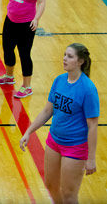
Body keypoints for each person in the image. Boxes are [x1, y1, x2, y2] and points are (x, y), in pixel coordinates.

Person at [20, 43, 99, 203]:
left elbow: (92, 126)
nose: (64, 59)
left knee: (69, 194)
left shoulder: (88, 89)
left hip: (75, 147)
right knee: (50, 185)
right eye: (64, 55)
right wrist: (29, 132)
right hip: (54, 142)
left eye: (69, 56)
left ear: (80, 61)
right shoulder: (59, 80)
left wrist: (91, 159)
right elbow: (48, 111)